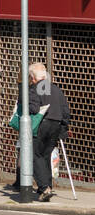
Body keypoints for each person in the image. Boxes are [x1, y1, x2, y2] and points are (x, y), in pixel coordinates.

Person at [29, 63, 71, 202]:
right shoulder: (56, 89)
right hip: (56, 125)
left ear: (33, 77)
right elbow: (66, 111)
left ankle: (44, 187)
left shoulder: (35, 89)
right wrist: (63, 128)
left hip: (43, 124)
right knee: (45, 155)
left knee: (34, 155)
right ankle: (46, 187)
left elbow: (34, 109)